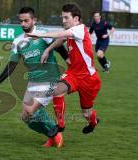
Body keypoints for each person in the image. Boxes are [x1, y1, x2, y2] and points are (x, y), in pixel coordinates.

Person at [0, 7, 69, 148]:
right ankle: (51, 136)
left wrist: (69, 61)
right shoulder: (18, 41)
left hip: (50, 78)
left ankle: (56, 133)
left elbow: (60, 47)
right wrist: (0, 79)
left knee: (31, 110)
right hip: (33, 81)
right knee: (26, 118)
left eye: (26, 21)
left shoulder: (43, 34)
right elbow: (13, 62)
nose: (23, 24)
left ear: (34, 20)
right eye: (21, 21)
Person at [26, 3, 101, 135]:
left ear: (76, 19)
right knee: (57, 90)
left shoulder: (80, 29)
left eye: (66, 18)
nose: (63, 21)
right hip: (73, 73)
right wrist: (48, 49)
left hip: (89, 79)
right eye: (63, 17)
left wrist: (39, 35)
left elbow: (61, 33)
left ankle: (93, 121)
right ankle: (60, 125)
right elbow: (62, 38)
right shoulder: (72, 32)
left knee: (86, 113)